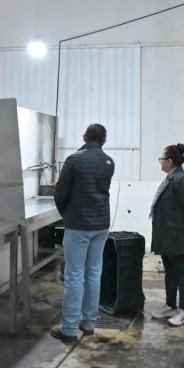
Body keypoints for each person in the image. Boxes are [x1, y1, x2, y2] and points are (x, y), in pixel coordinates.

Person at [51, 124, 115, 342]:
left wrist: (67, 215)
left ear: (84, 137)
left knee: (74, 275)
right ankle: (89, 323)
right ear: (104, 140)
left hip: (78, 226)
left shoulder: (74, 160)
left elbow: (60, 193)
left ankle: (69, 329)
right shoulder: (108, 162)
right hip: (101, 225)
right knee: (94, 274)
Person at [149, 143, 184, 326]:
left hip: (178, 235)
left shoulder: (181, 179)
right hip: (168, 235)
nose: (161, 162)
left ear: (170, 161)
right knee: (170, 272)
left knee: (182, 272)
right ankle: (171, 305)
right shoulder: (171, 178)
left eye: (162, 159)